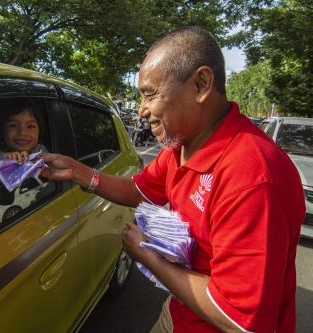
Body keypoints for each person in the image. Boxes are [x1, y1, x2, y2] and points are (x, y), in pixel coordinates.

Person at [41, 26, 304, 332]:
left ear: (201, 84)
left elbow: (239, 319)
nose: (141, 111)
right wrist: (77, 171)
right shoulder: (182, 146)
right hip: (181, 312)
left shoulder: (253, 176)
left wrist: (148, 255)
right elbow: (137, 190)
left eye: (149, 94)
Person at [0, 99, 47, 200]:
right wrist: (3, 168)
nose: (22, 133)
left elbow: (51, 174)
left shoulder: (39, 150)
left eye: (30, 126)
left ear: (40, 130)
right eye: (13, 125)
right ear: (3, 131)